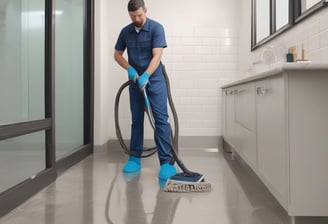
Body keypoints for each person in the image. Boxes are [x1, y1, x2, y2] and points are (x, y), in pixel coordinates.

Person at [114, 0, 177, 181]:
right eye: (133, 16)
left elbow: (157, 55)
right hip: (135, 81)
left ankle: (166, 162)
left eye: (140, 15)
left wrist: (146, 75)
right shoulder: (125, 32)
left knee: (160, 119)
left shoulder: (157, 28)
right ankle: (135, 158)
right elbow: (117, 54)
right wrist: (130, 69)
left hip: (155, 80)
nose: (137, 19)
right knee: (137, 120)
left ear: (145, 11)